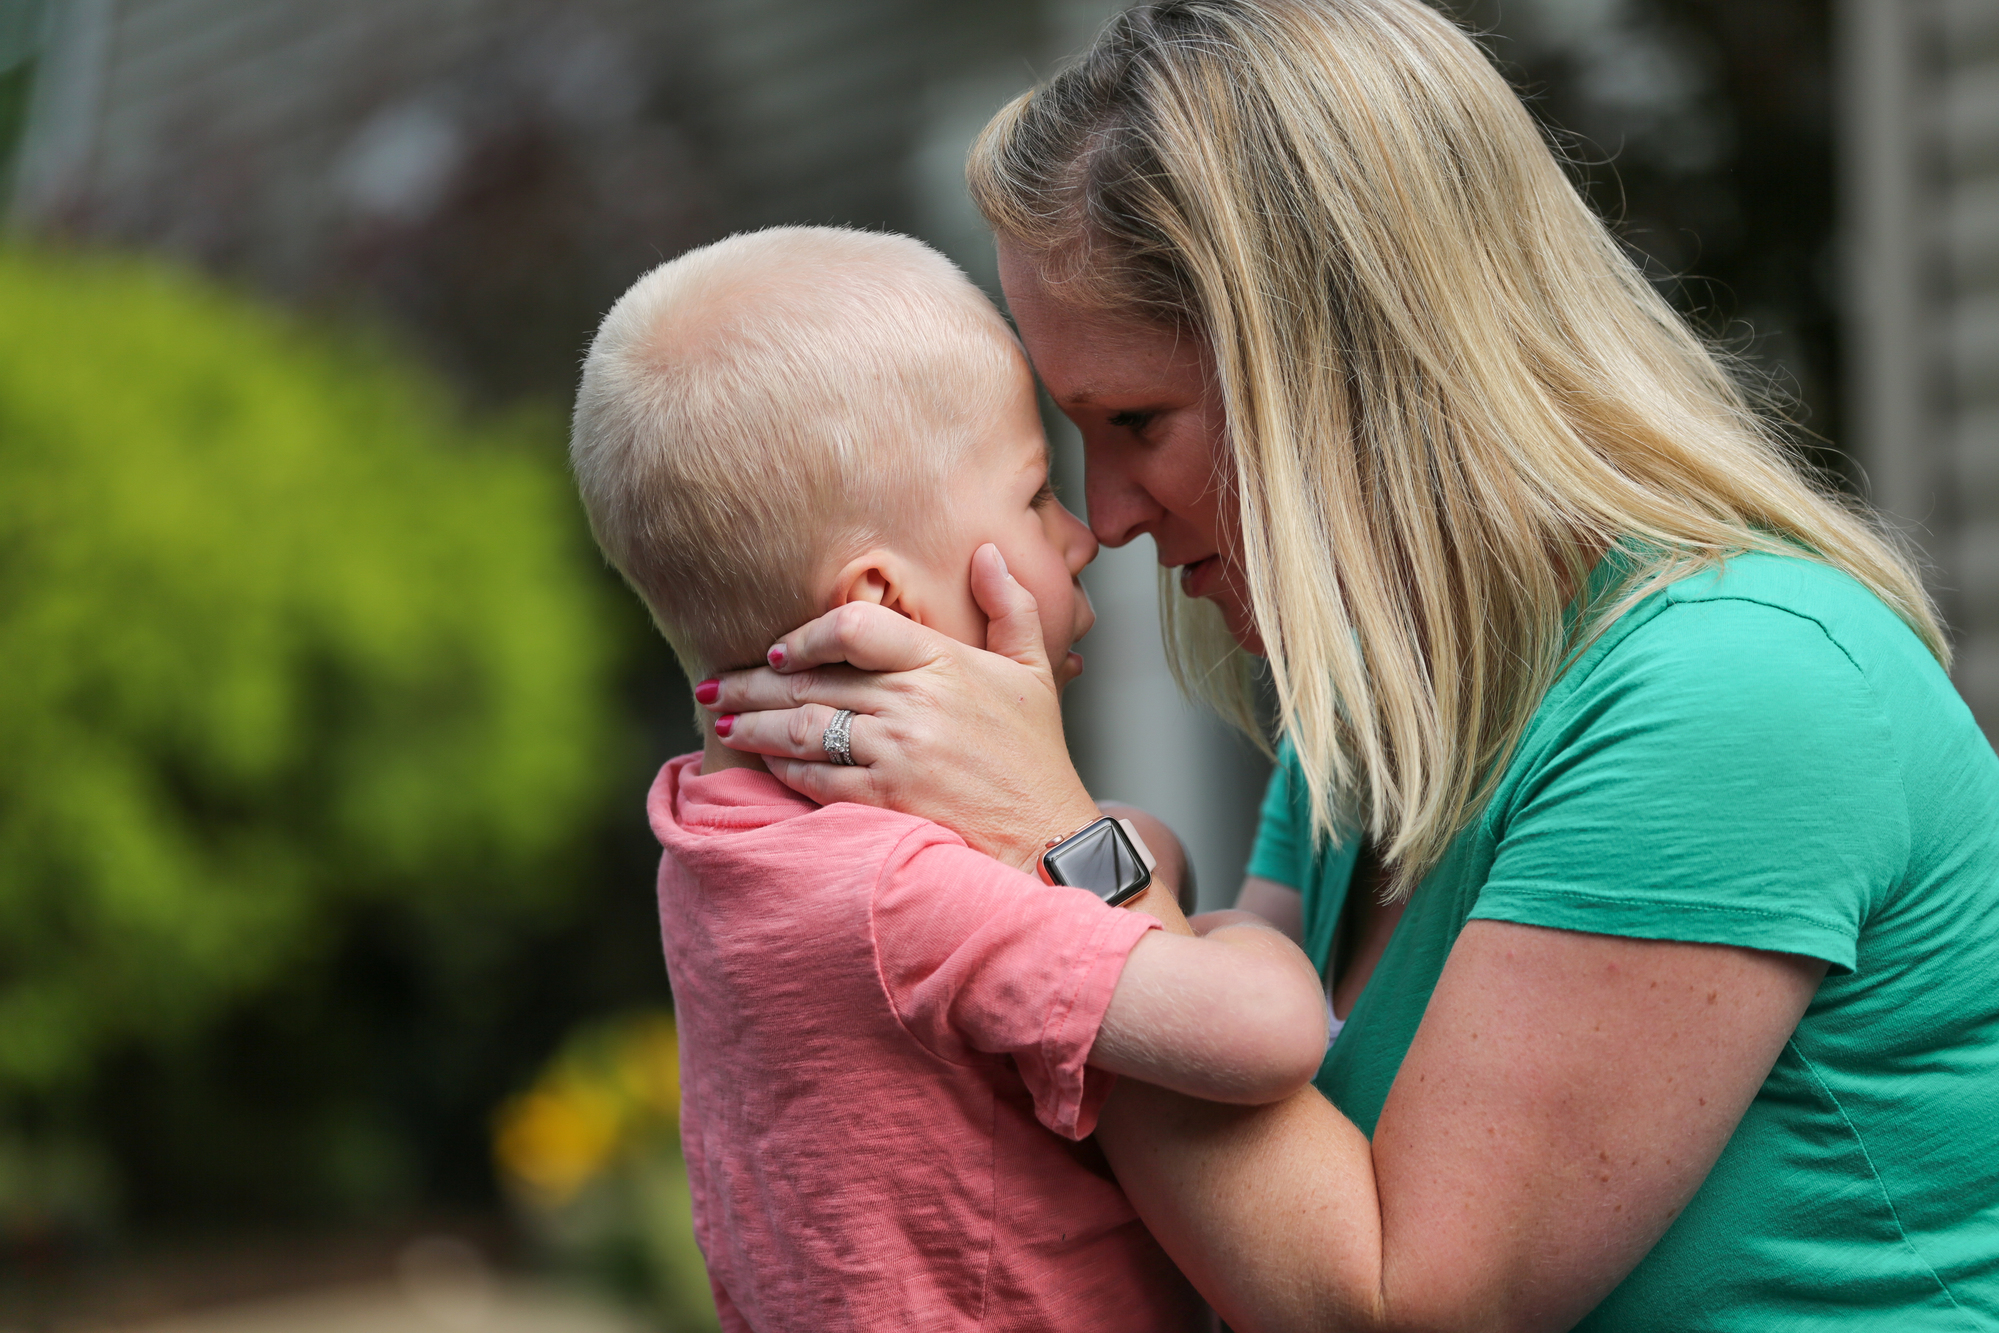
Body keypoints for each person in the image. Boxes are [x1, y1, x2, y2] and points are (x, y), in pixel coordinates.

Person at [697, 3, 1999, 1329]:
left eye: (1135, 420)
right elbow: (1212, 1102)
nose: (1109, 518)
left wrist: (1050, 840)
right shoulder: (1383, 722)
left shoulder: (1735, 696)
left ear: (1351, 365)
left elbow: (1391, 1304)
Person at [568, 225, 1330, 1332]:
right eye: (1031, 497)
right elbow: (1266, 1030)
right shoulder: (901, 899)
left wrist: (1104, 843)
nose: (1080, 534)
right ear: (881, 606)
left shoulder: (717, 840)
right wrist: (1231, 934)